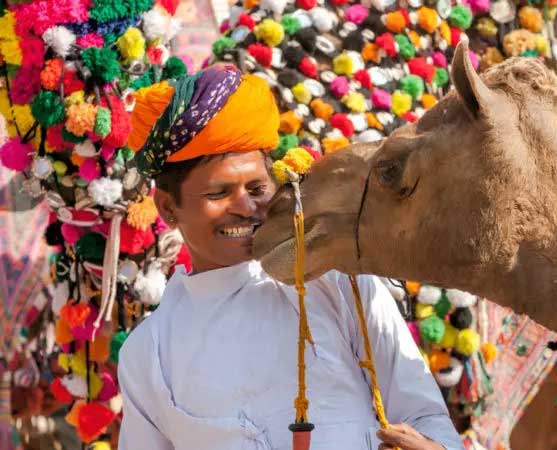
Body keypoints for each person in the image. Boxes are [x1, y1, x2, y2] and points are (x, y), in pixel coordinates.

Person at [118, 65, 464, 450]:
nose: (245, 206)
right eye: (218, 194)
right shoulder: (150, 354)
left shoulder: (335, 282)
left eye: (256, 187)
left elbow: (424, 416)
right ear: (167, 207)